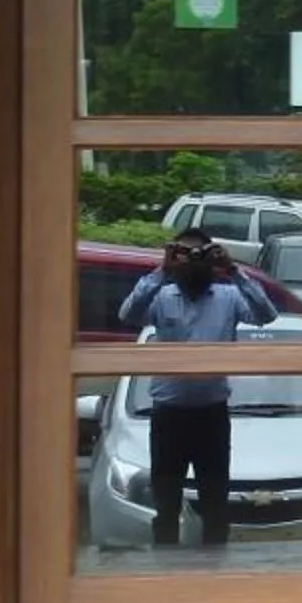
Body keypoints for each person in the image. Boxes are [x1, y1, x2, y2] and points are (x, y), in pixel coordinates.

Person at [114, 229, 277, 548]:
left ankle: (214, 575)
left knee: (216, 506)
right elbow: (128, 314)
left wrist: (234, 270)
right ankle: (167, 577)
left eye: (200, 256)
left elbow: (266, 315)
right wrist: (162, 271)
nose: (193, 264)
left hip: (211, 417)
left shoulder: (228, 297)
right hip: (168, 418)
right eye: (186, 256)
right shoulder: (162, 296)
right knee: (166, 507)